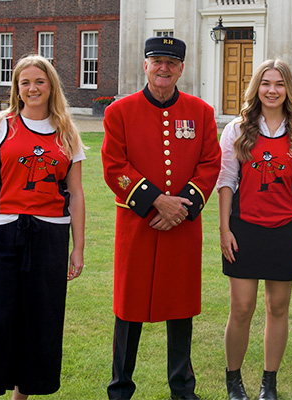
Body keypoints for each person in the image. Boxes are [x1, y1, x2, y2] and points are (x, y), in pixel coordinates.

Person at [100, 37, 221, 400]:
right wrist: (155, 202)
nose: (164, 68)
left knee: (180, 307)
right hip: (137, 225)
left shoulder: (201, 112)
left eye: (171, 62)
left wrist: (179, 207)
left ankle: (182, 388)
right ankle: (120, 387)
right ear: (146, 66)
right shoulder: (119, 111)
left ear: (181, 68)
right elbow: (114, 167)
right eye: (157, 61)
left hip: (181, 226)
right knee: (128, 308)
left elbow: (210, 163)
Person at [0, 54, 86, 400]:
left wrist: (78, 247)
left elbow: (75, 194)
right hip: (1, 233)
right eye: (25, 82)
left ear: (51, 87)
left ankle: (22, 396)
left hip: (49, 236)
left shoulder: (66, 132)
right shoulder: (0, 126)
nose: (32, 88)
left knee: (39, 322)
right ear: (17, 88)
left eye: (39, 82)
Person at [217, 59, 292, 400]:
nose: (272, 90)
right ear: (256, 88)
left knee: (278, 308)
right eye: (266, 83)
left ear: (288, 89)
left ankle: (268, 384)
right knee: (242, 308)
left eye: (279, 84)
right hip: (244, 229)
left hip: (285, 231)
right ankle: (234, 382)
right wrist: (224, 230)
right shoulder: (236, 129)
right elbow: (226, 183)